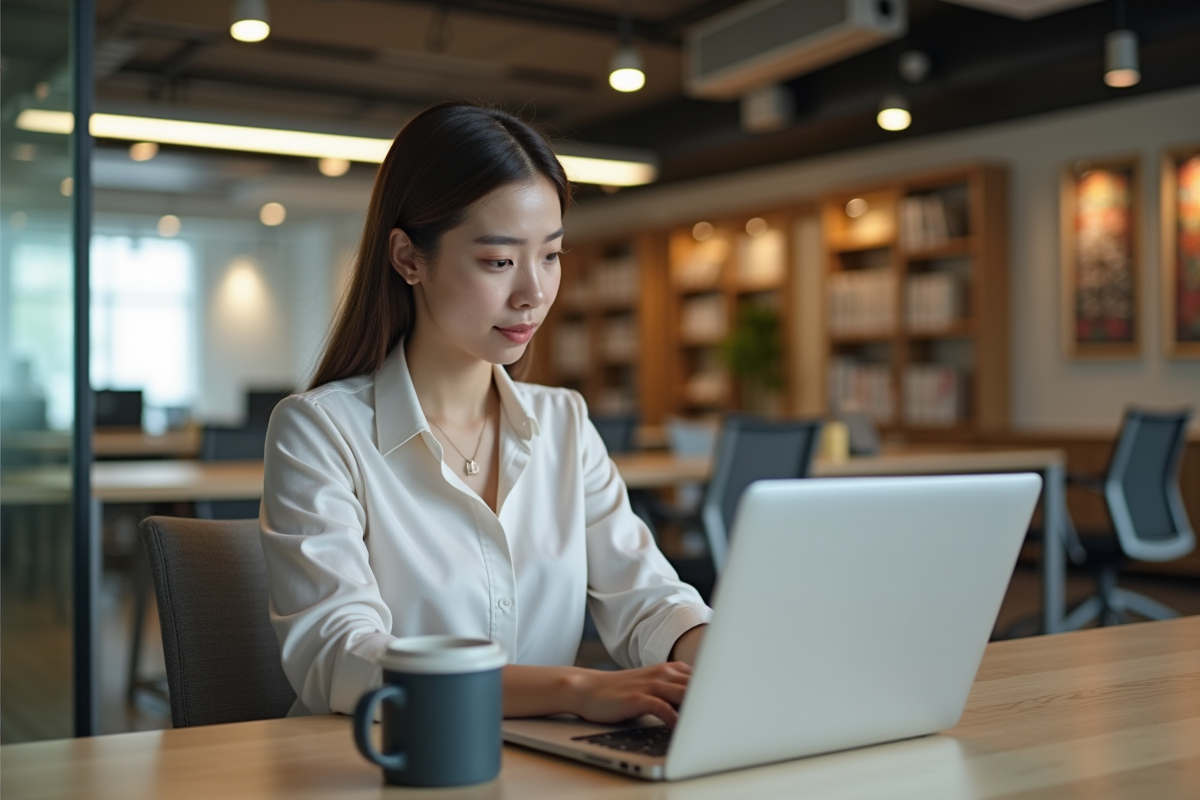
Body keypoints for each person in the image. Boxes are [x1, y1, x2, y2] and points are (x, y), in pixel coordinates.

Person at [260, 102, 711, 727]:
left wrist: (715, 655)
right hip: (374, 762)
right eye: (499, 261)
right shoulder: (318, 430)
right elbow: (344, 656)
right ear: (408, 258)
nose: (533, 292)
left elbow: (648, 597)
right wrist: (573, 689)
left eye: (550, 256)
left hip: (536, 767)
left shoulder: (564, 423)